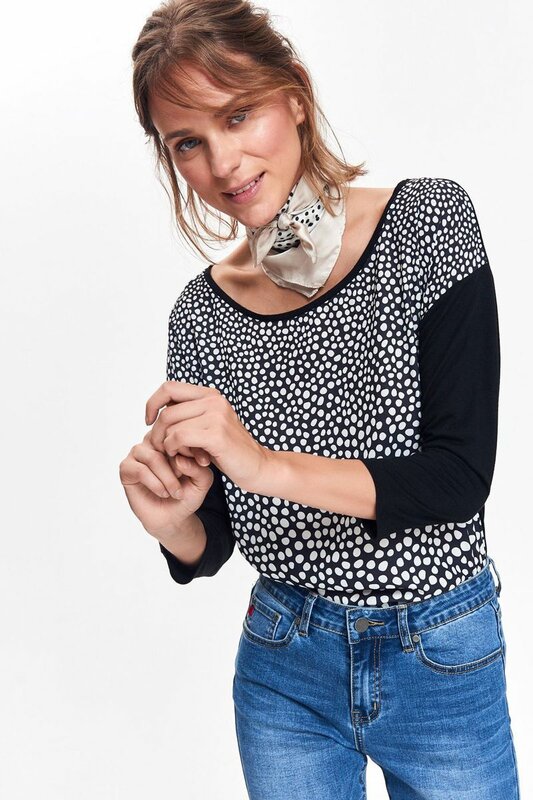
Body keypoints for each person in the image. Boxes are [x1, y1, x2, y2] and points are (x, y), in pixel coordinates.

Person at [119, 1, 521, 797]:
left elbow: (457, 477)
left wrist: (261, 464)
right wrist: (174, 526)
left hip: (439, 647)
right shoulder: (199, 316)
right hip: (283, 659)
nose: (223, 163)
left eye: (238, 115)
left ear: (294, 94)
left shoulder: (428, 224)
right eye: (187, 142)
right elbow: (217, 537)